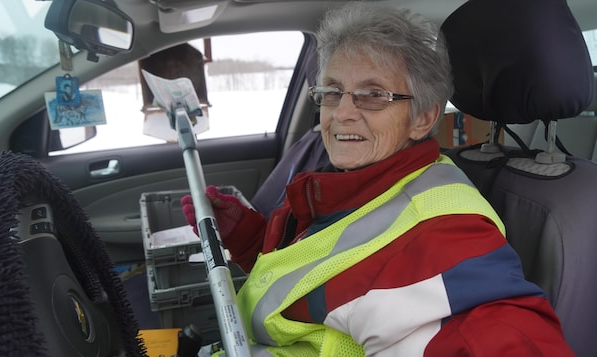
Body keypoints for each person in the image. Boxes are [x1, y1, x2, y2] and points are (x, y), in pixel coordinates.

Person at [182, 2, 574, 355]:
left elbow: (492, 329)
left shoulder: (442, 231)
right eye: (333, 92)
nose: (342, 113)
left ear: (422, 118)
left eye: (373, 95)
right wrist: (249, 236)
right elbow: (321, 280)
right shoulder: (356, 184)